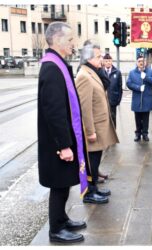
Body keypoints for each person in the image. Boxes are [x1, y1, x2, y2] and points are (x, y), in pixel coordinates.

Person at [38, 22, 86, 243]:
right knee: (59, 184)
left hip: (62, 139)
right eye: (70, 40)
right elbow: (54, 111)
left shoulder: (57, 64)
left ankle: (62, 218)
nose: (73, 44)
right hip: (58, 143)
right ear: (57, 41)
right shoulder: (51, 68)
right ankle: (56, 229)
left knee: (64, 182)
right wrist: (64, 145)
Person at [75, 41, 119, 204]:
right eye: (99, 56)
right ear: (89, 58)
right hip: (93, 129)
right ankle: (89, 192)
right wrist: (90, 131)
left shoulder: (92, 72)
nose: (101, 60)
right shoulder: (84, 76)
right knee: (91, 161)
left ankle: (94, 188)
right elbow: (85, 108)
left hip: (99, 127)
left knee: (95, 160)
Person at [127, 53, 152, 142]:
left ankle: (145, 134)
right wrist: (138, 88)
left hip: (147, 99)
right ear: (136, 62)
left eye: (143, 61)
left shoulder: (150, 71)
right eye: (139, 61)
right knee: (137, 118)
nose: (141, 63)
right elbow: (129, 83)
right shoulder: (132, 72)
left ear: (145, 62)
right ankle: (138, 134)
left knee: (146, 118)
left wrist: (146, 77)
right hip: (137, 99)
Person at [103, 53, 123, 127]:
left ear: (111, 61)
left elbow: (120, 87)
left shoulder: (117, 72)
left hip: (113, 100)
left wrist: (118, 100)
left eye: (109, 61)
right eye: (106, 61)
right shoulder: (100, 72)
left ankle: (114, 135)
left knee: (113, 118)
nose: (108, 62)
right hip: (103, 100)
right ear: (103, 62)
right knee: (104, 119)